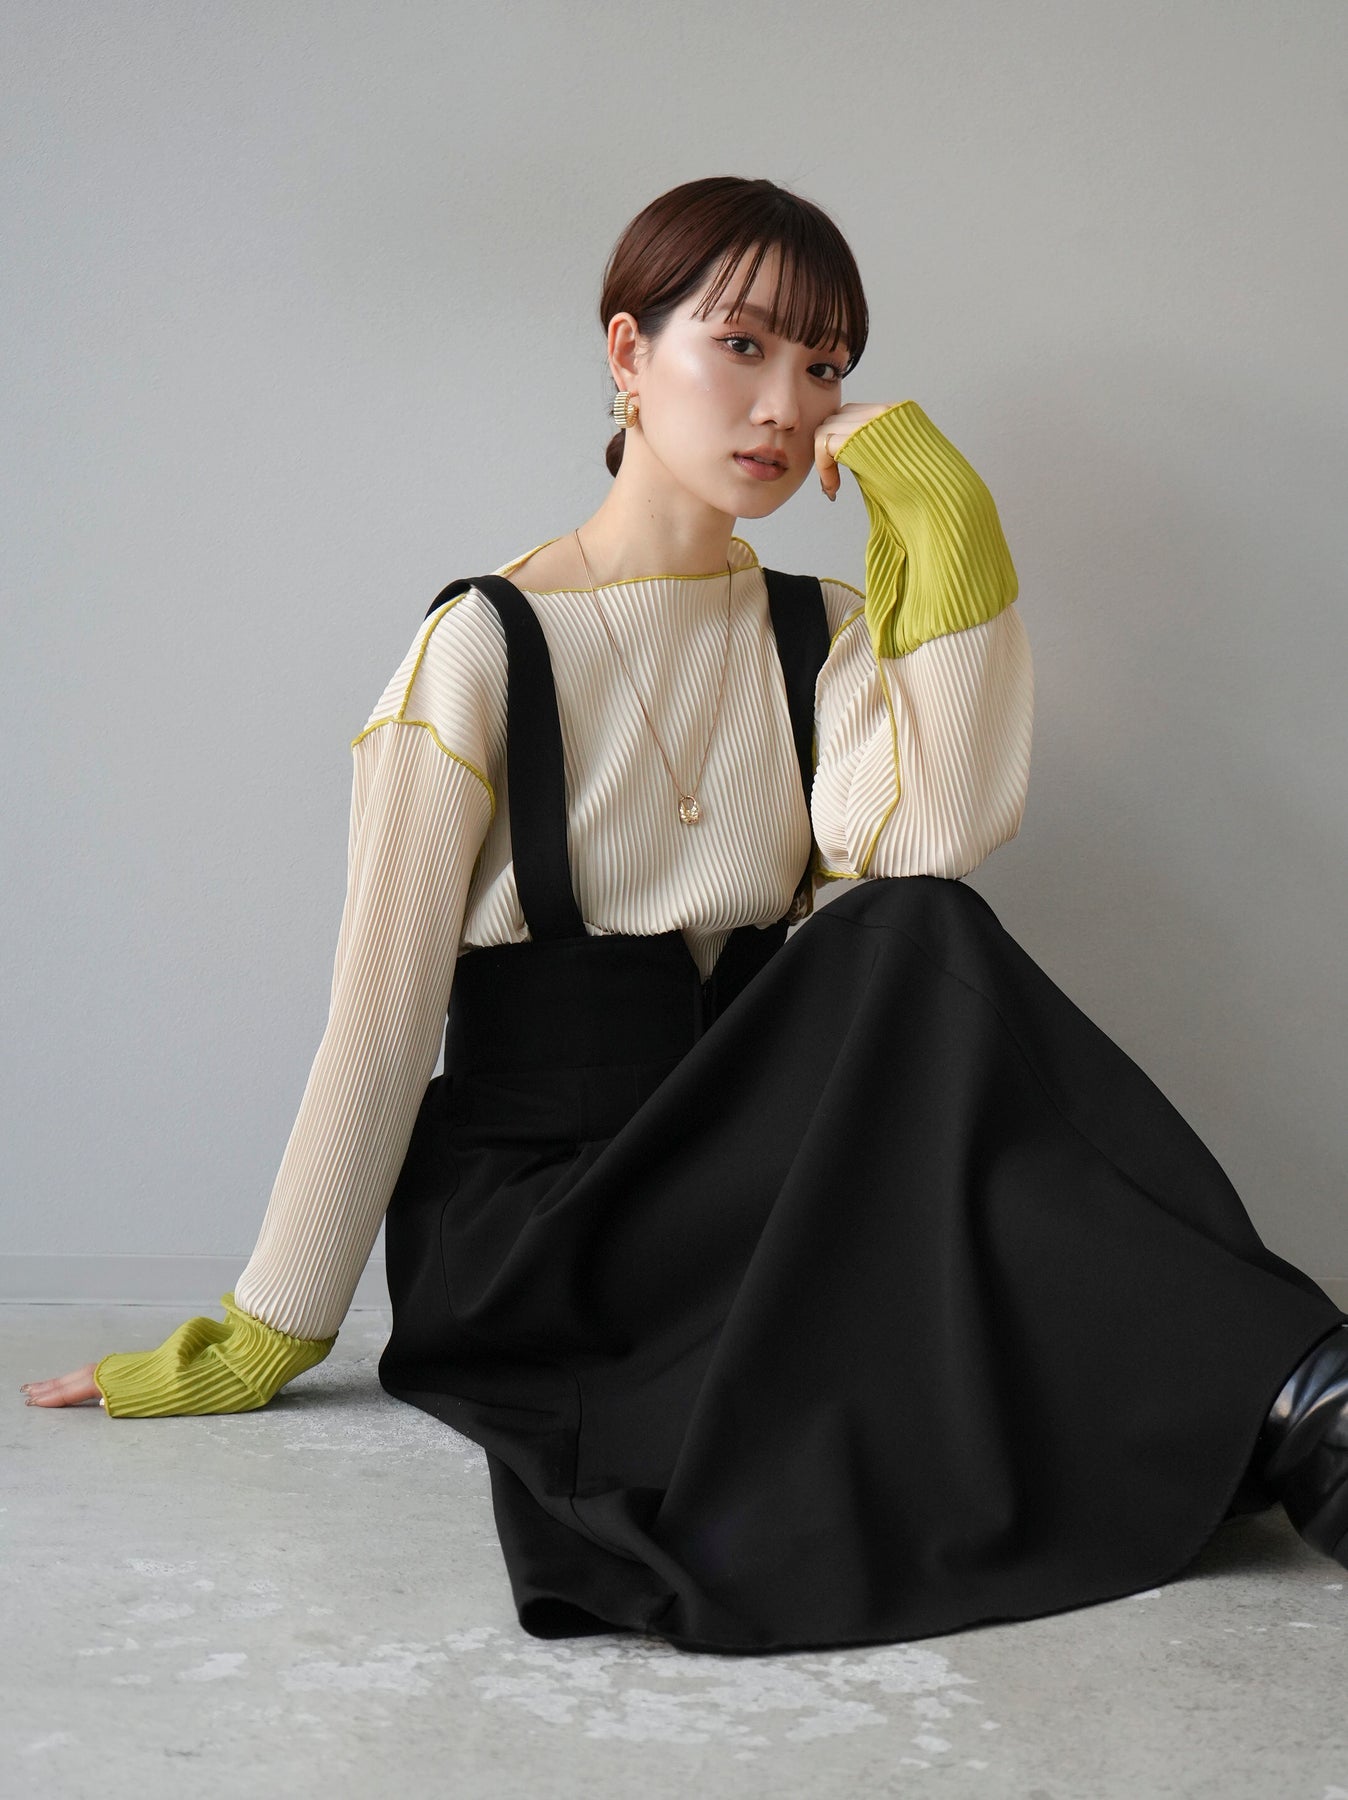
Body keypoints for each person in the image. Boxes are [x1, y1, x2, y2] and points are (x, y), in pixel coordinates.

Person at [22, 176, 1348, 1656]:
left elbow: (930, 845)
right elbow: (382, 1024)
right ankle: (1309, 1385)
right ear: (627, 351)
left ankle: (1308, 1402)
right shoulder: (479, 649)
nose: (787, 403)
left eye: (826, 364)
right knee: (950, 1144)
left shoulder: (817, 632)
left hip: (748, 1172)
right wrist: (271, 1328)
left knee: (917, 939)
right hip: (551, 1218)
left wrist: (948, 518)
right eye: (743, 344)